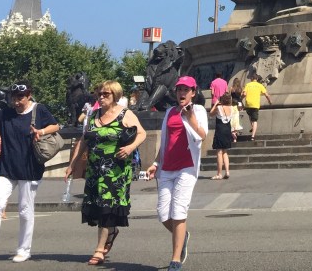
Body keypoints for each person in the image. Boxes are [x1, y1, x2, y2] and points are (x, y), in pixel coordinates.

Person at [0, 81, 60, 266]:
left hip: (29, 169)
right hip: (7, 169)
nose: (17, 101)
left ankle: (23, 250)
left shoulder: (39, 110)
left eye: (20, 97)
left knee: (25, 210)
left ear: (29, 95)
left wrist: (41, 131)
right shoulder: (6, 113)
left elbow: (56, 126)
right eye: (14, 97)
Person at [65, 79, 146, 265]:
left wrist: (130, 148)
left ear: (115, 95)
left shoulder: (125, 114)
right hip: (95, 169)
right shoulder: (93, 115)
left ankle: (99, 249)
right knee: (99, 206)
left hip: (116, 170)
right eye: (99, 94)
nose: (101, 97)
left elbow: (141, 133)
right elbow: (84, 140)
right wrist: (73, 164)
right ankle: (111, 232)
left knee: (106, 208)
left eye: (105, 94)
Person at [146, 75, 208, 271]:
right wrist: (156, 162)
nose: (182, 93)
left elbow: (202, 135)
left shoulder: (197, 110)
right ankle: (183, 235)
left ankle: (175, 259)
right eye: (179, 89)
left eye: (186, 90)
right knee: (163, 214)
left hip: (187, 167)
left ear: (193, 93)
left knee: (178, 211)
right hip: (167, 167)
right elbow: (165, 141)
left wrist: (189, 118)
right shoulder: (170, 112)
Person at [209, 92, 233, 179]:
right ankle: (227, 171)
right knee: (225, 152)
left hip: (220, 131)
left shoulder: (219, 107)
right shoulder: (231, 108)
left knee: (219, 152)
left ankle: (219, 173)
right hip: (227, 130)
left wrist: (215, 103)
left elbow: (211, 113)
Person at [240, 76, 271, 142]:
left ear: (251, 79)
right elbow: (266, 94)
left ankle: (252, 127)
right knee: (255, 120)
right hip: (255, 104)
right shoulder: (260, 85)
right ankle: (253, 136)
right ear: (257, 79)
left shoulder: (248, 85)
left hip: (248, 104)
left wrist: (241, 99)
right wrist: (269, 101)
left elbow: (244, 94)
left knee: (250, 116)